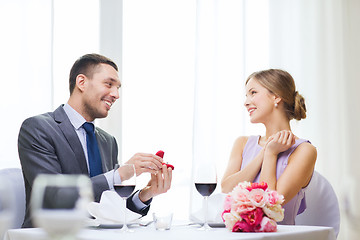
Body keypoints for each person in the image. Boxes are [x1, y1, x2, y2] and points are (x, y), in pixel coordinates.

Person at [18, 53, 172, 228]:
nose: (116, 94)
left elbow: (108, 208)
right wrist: (120, 174)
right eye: (109, 84)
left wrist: (145, 194)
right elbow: (55, 197)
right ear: (81, 82)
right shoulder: (38, 128)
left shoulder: (108, 141)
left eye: (118, 88)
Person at [221, 69, 317, 225]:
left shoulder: (304, 151)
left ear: (276, 96)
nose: (246, 102)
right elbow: (226, 190)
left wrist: (271, 154)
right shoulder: (242, 143)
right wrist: (264, 152)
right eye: (246, 95)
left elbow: (271, 206)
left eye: (253, 93)